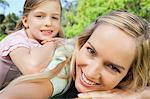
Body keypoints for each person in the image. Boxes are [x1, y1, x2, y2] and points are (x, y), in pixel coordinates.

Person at [0, 10, 150, 99]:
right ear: (82, 44)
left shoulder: (135, 79)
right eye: (91, 51)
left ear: (129, 74)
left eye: (112, 67)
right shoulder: (65, 61)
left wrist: (134, 94)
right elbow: (15, 94)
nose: (91, 73)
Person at [0, 0, 64, 90]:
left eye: (54, 17)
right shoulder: (16, 40)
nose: (48, 23)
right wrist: (52, 43)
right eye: (39, 16)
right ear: (26, 21)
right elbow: (32, 69)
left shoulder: (41, 41)